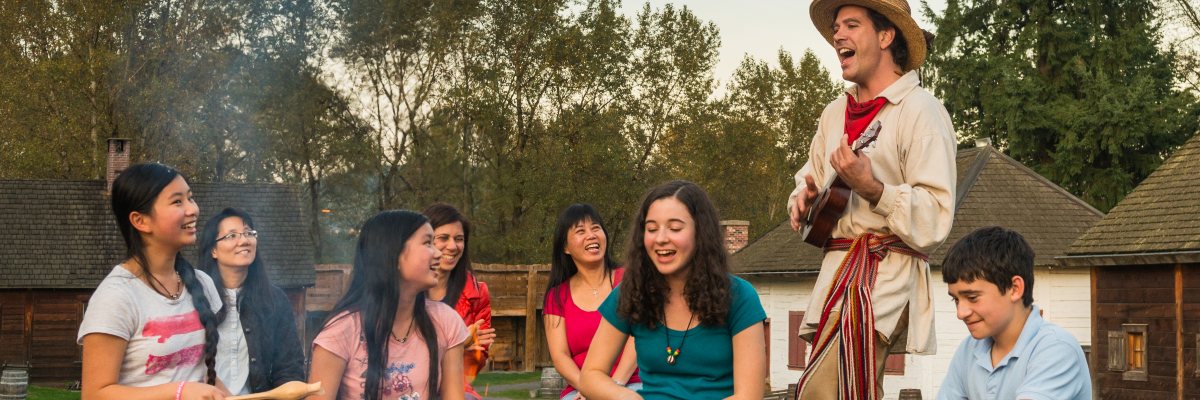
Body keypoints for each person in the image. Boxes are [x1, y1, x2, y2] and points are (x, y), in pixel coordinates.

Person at [788, 0, 957, 398]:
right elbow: (809, 176)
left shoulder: (923, 112)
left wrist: (874, 190)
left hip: (885, 273)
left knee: (822, 391)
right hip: (836, 273)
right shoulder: (833, 113)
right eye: (836, 28)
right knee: (847, 391)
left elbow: (935, 216)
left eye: (851, 25)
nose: (837, 36)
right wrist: (804, 197)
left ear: (885, 36)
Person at [580, 180, 767, 400]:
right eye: (651, 229)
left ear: (701, 233)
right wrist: (628, 398)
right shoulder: (631, 292)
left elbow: (749, 396)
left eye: (675, 228)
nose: (660, 238)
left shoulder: (740, 297)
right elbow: (590, 376)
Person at [78, 163, 227, 399]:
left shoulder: (203, 283)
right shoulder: (116, 296)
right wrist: (178, 391)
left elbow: (203, 375)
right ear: (140, 221)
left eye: (191, 197)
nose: (193, 209)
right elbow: (95, 394)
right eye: (177, 201)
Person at [309, 210, 469, 400]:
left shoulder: (446, 321)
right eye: (427, 243)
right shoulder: (341, 332)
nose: (437, 253)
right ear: (392, 254)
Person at [937, 227, 1091, 400]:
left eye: (972, 297)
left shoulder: (1057, 349)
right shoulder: (969, 349)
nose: (961, 313)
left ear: (1015, 289)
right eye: (956, 300)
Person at [196, 208, 306, 395]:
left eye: (249, 233)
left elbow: (289, 366)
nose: (244, 240)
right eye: (231, 236)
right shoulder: (196, 298)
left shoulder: (274, 300)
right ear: (213, 250)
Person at [543, 204, 640, 399]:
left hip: (632, 382)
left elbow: (637, 338)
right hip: (580, 391)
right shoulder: (556, 297)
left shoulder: (630, 279)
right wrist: (589, 389)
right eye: (581, 231)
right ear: (565, 247)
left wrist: (611, 387)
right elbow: (560, 357)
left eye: (596, 228)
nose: (591, 235)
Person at [421, 203, 496, 400]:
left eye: (459, 239)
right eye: (443, 238)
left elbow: (475, 366)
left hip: (457, 387)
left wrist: (472, 352)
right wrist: (460, 344)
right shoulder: (407, 290)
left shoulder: (478, 294)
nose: (453, 246)